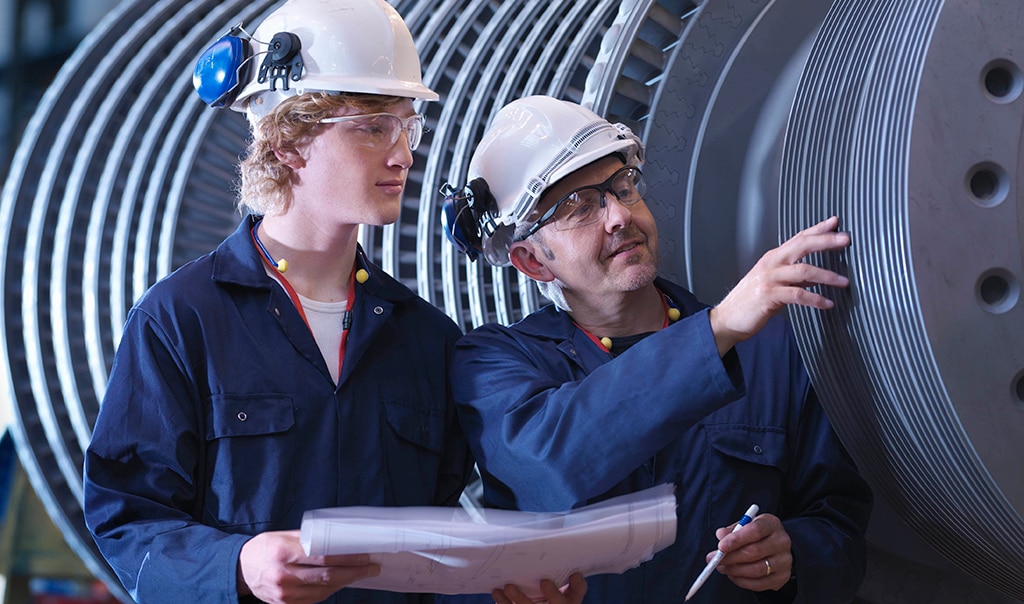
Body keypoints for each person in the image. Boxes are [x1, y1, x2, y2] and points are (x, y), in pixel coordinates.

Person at [83, 3, 584, 603]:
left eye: (407, 126)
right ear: (290, 143)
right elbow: (127, 520)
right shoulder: (182, 320)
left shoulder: (426, 338)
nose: (403, 154)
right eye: (374, 127)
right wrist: (237, 565)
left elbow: (435, 555)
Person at [440, 95, 873, 603]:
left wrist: (793, 554)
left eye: (621, 188)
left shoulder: (771, 352)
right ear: (533, 261)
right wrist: (718, 331)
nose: (619, 215)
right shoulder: (494, 363)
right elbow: (548, 461)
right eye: (578, 207)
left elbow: (839, 523)